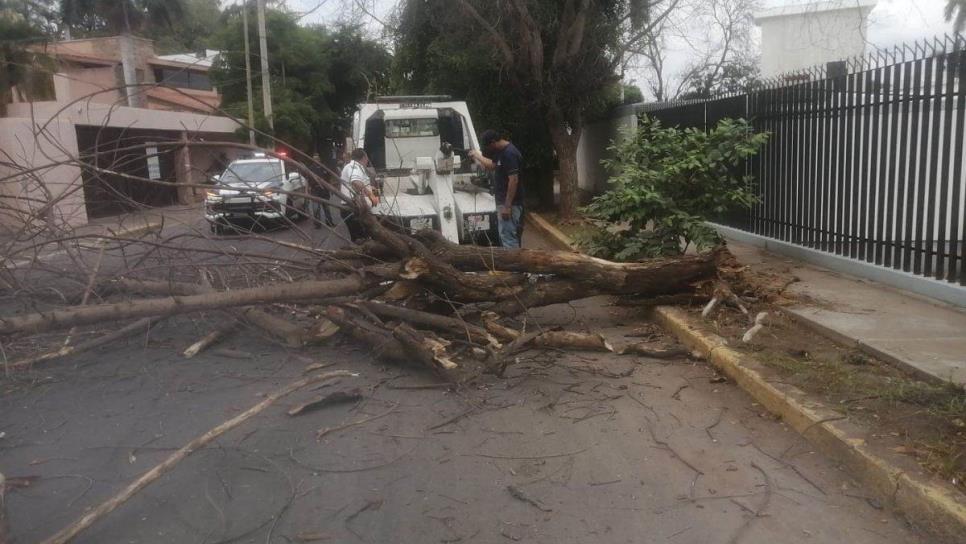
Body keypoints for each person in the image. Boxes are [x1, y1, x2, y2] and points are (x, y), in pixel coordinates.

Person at [469, 130, 524, 248]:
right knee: (505, 236)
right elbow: (492, 165)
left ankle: (513, 265)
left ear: (493, 142)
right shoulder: (500, 152)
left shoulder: (509, 154)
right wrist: (477, 156)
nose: (488, 149)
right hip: (504, 203)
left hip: (510, 204)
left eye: (488, 146)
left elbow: (513, 180)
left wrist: (507, 206)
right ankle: (511, 262)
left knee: (509, 237)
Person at [339, 148, 380, 242]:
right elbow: (356, 183)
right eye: (367, 158)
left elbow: (370, 186)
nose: (367, 161)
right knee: (361, 240)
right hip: (352, 209)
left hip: (358, 209)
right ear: (364, 158)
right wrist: (371, 196)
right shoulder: (353, 166)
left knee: (364, 238)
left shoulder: (361, 169)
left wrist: (376, 196)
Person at [307, 154, 335, 228]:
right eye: (314, 159)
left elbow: (329, 179)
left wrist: (331, 188)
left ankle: (329, 222)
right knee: (316, 208)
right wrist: (307, 191)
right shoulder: (310, 169)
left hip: (324, 191)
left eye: (317, 159)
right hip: (315, 191)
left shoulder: (324, 168)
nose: (316, 160)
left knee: (326, 208)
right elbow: (307, 181)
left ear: (319, 160)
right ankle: (317, 224)